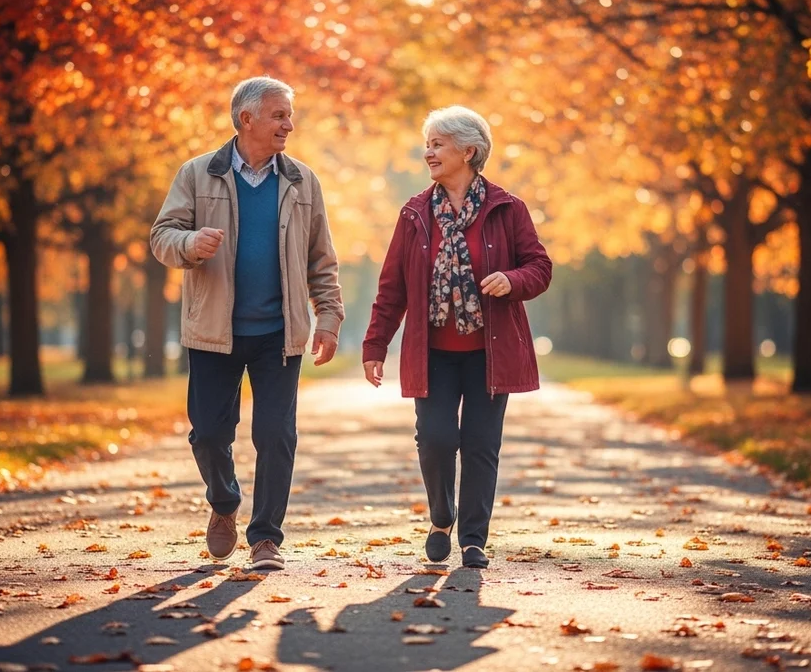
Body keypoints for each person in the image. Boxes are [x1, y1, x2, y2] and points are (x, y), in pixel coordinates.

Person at [149, 76, 343, 570]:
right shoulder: (198, 174)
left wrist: (329, 317)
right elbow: (162, 235)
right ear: (247, 119)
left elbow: (322, 259)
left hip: (280, 334)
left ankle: (265, 539)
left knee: (276, 435)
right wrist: (189, 245)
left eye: (289, 115)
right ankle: (224, 502)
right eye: (279, 115)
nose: (289, 125)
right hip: (214, 330)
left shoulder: (302, 180)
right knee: (210, 433)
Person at [361, 106, 552, 569]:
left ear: (469, 150)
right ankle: (441, 516)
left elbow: (539, 267)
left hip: (491, 352)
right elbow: (393, 287)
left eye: (438, 144)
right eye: (427, 144)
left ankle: (472, 540)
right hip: (434, 353)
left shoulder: (507, 208)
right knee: (437, 438)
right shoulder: (414, 214)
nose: (429, 152)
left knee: (482, 445)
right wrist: (375, 345)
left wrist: (512, 279)